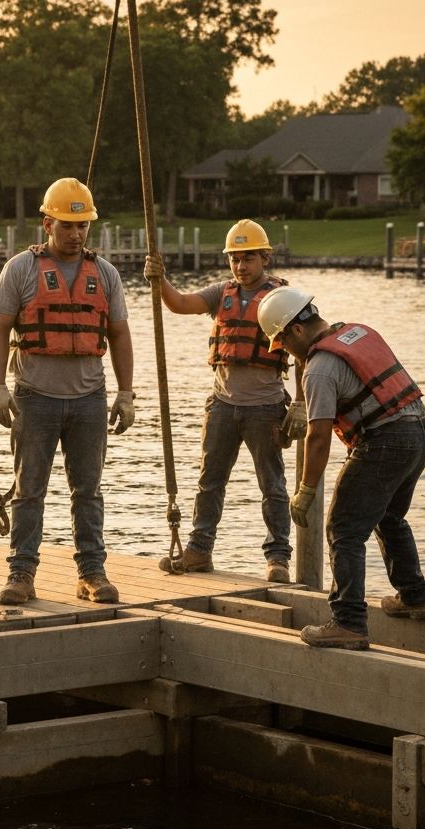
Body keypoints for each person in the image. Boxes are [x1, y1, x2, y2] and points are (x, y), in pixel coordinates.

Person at [257, 286, 425, 651]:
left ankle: (348, 623)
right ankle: (414, 595)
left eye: (283, 343)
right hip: (419, 431)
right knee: (389, 516)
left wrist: (306, 491)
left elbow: (319, 436)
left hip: (386, 442)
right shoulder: (356, 331)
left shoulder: (321, 368)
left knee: (343, 529)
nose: (286, 353)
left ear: (295, 330)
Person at [0, 177, 135, 606]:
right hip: (35, 396)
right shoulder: (21, 269)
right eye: (67, 226)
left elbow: (121, 336)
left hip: (89, 397)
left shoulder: (104, 273)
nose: (76, 235)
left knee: (87, 491)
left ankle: (91, 573)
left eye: (83, 226)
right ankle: (21, 573)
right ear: (47, 222)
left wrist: (126, 394)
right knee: (28, 489)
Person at [144, 219, 304, 584]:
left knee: (272, 485)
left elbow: (303, 353)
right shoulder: (222, 293)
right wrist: (160, 279)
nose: (240, 266)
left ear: (265, 257)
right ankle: (199, 549)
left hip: (265, 407)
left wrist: (301, 404)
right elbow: (180, 304)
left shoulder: (283, 298)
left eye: (248, 258)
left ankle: (277, 556)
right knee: (209, 481)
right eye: (234, 259)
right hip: (222, 405)